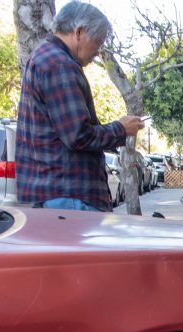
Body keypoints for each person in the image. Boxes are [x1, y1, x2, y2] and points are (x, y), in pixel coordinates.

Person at [15, 2, 145, 211]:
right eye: (98, 42)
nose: (97, 51)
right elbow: (78, 135)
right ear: (79, 32)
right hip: (70, 194)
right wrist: (121, 129)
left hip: (59, 192)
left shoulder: (46, 57)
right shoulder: (59, 64)